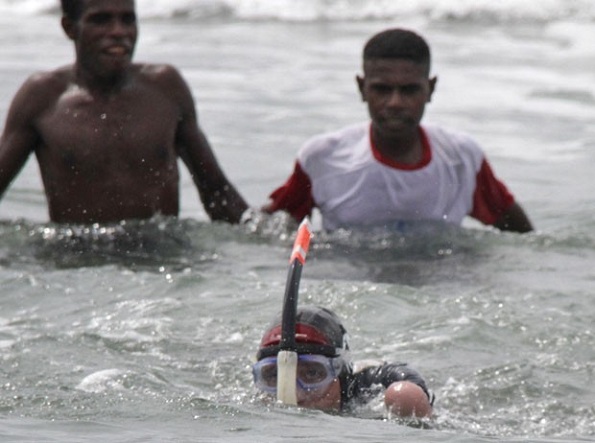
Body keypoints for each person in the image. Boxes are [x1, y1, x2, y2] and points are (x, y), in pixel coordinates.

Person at [0, 0, 248, 224]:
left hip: (161, 260)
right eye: (101, 20)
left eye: (128, 19)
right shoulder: (43, 98)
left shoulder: (166, 89)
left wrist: (268, 241)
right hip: (78, 260)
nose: (119, 32)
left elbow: (217, 194)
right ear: (70, 28)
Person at [263, 28, 533, 233]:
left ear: (430, 89)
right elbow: (269, 231)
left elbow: (522, 237)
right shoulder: (323, 158)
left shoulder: (462, 158)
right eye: (382, 89)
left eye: (409, 90)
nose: (394, 103)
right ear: (362, 88)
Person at [252, 306, 434, 417]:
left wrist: (410, 402)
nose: (296, 395)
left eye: (313, 373)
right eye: (275, 374)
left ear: (340, 373)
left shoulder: (368, 389)